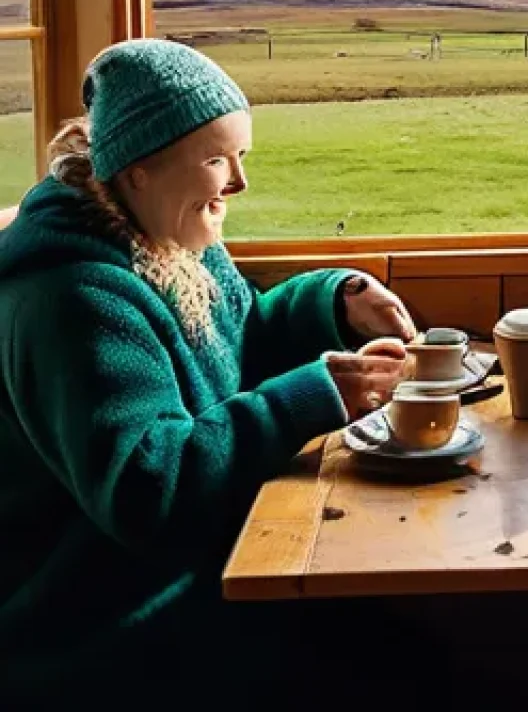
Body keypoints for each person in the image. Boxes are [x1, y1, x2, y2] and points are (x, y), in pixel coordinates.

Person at [0, 39, 422, 708]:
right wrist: (315, 396)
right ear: (139, 170)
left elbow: (241, 340)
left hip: (203, 573)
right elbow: (147, 489)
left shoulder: (163, 236)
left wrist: (334, 301)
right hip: (110, 628)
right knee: (391, 665)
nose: (239, 183)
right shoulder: (73, 299)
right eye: (217, 161)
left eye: (241, 157)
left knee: (401, 644)